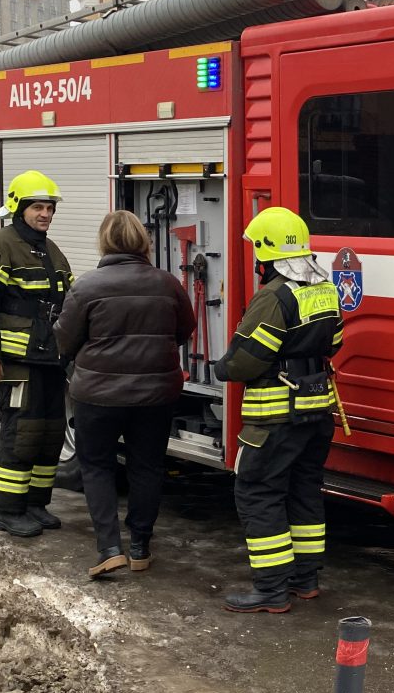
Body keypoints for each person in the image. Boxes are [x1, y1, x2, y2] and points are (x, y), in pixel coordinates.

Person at [212, 206, 343, 613]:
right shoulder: (325, 287)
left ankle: (269, 589)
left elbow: (246, 361)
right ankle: (305, 580)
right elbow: (335, 342)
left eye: (256, 250)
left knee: (257, 492)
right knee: (304, 491)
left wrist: (222, 366)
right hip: (316, 413)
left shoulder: (272, 297)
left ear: (266, 254)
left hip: (274, 417)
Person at [54, 210, 195, 579]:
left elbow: (65, 340)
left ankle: (109, 548)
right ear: (143, 242)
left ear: (104, 242)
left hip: (97, 395)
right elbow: (185, 330)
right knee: (146, 467)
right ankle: (140, 547)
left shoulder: (86, 286)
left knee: (97, 466)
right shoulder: (168, 284)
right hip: (155, 394)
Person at [0, 171, 74, 538]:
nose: (45, 214)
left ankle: (35, 503)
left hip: (49, 358)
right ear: (18, 207)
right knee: (21, 433)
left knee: (49, 432)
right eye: (37, 207)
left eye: (49, 208)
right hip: (14, 360)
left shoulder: (49, 248)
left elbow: (67, 299)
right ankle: (8, 510)